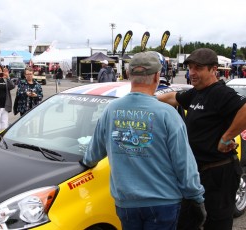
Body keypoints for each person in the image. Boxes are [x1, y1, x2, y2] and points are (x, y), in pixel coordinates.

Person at [82, 51, 206, 230]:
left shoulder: (111, 110)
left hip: (126, 203)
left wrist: (85, 162)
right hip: (164, 202)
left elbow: (93, 153)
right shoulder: (167, 113)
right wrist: (196, 197)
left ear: (128, 75)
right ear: (157, 76)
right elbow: (184, 163)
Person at [157, 48, 246, 230]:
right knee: (188, 221)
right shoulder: (196, 92)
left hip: (219, 173)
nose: (192, 73)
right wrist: (149, 100)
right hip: (196, 173)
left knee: (218, 222)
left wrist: (226, 137)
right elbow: (174, 97)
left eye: (198, 68)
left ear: (214, 69)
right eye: (190, 68)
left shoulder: (220, 93)